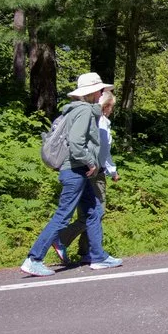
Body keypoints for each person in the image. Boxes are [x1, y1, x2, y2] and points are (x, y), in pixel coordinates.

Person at [21, 73, 122, 276]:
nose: (103, 93)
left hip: (77, 171)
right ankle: (34, 258)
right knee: (63, 215)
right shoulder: (83, 111)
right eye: (101, 90)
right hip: (76, 171)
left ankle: (98, 256)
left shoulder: (76, 110)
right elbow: (76, 143)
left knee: (94, 211)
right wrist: (90, 162)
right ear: (93, 92)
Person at [53, 88, 119, 264]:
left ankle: (86, 251)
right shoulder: (101, 122)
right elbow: (102, 149)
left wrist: (111, 169)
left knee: (90, 212)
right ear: (105, 106)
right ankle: (63, 239)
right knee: (95, 212)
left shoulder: (96, 119)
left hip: (88, 169)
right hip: (93, 172)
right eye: (111, 106)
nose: (112, 110)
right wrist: (107, 168)